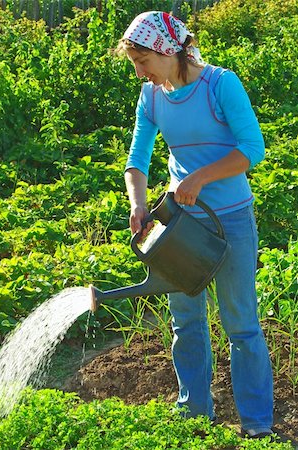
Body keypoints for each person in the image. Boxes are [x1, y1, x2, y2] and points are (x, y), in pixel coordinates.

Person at [115, 11, 274, 439]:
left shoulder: (221, 84)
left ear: (168, 52)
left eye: (143, 61)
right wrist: (139, 204)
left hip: (231, 219)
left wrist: (200, 177)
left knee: (241, 323)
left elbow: (252, 149)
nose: (139, 72)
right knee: (185, 321)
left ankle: (258, 426)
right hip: (179, 224)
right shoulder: (151, 96)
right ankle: (194, 417)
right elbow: (136, 160)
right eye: (135, 63)